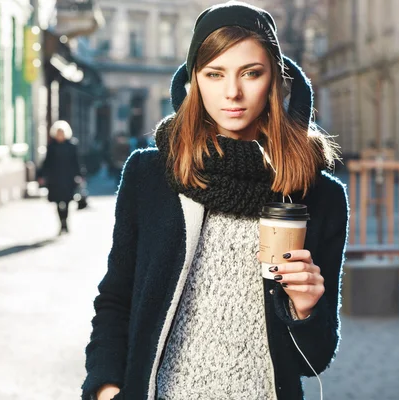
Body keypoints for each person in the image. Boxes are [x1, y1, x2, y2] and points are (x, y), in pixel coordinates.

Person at [82, 2, 349, 400]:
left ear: (275, 80)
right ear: (194, 81)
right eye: (215, 74)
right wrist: (105, 388)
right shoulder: (151, 176)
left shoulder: (320, 195)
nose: (232, 92)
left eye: (251, 73)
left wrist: (306, 310)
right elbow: (116, 298)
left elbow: (316, 358)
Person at [37, 120, 82, 235]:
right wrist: (41, 175)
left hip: (68, 178)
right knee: (57, 201)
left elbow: (76, 162)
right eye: (58, 132)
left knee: (67, 201)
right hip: (55, 178)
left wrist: (80, 175)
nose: (60, 135)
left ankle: (65, 222)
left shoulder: (72, 145)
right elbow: (46, 162)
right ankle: (61, 223)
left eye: (61, 132)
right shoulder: (51, 146)